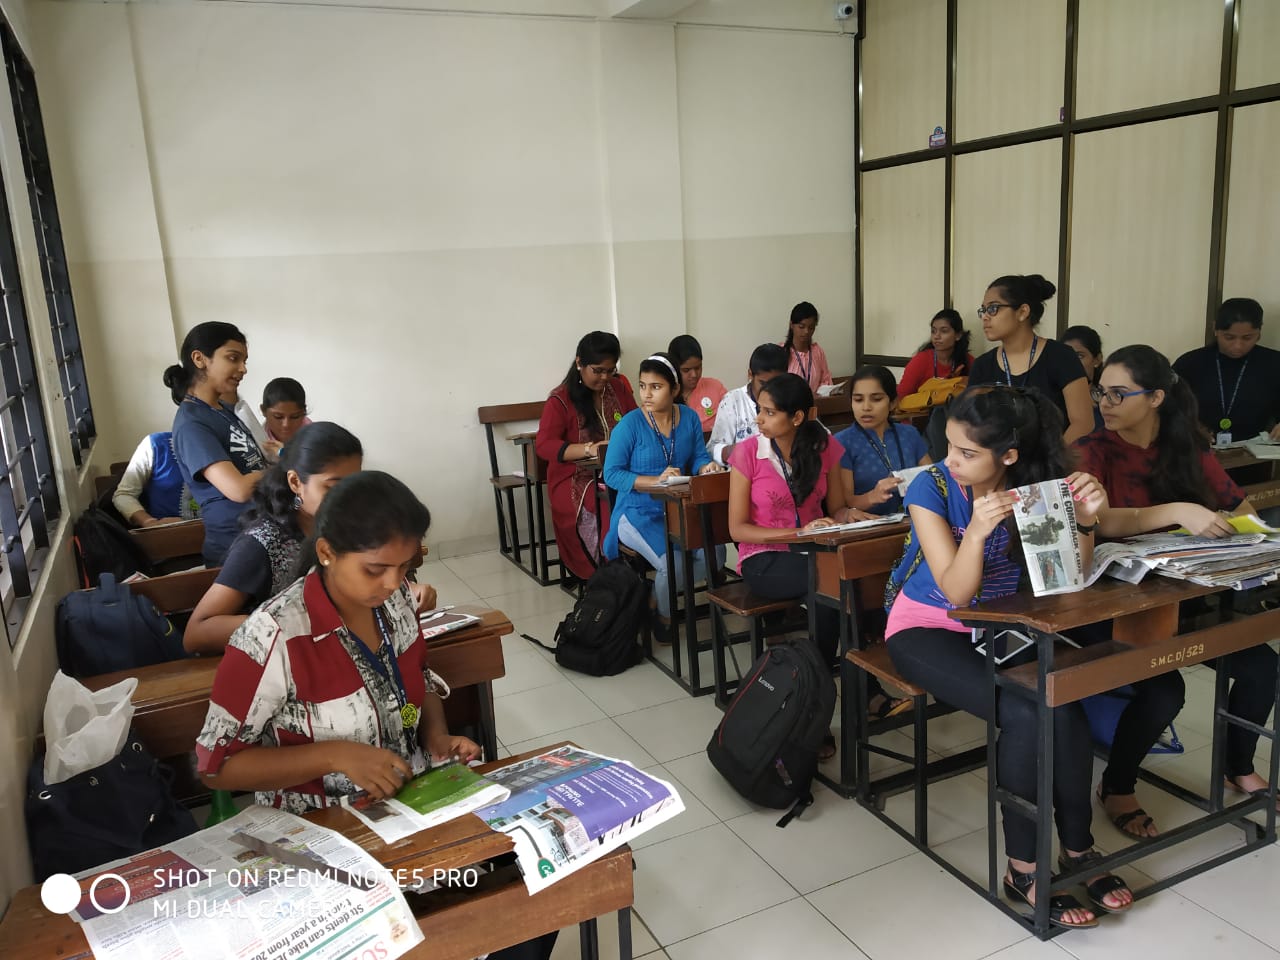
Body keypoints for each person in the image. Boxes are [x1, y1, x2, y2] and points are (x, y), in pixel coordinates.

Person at [886, 386, 1129, 927]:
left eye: (967, 453)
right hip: (928, 627)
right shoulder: (932, 487)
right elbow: (956, 593)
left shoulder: (1036, 488)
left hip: (1002, 628)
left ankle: (1078, 850)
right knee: (1026, 712)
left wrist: (1086, 518)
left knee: (1061, 705)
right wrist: (975, 531)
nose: (950, 461)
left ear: (1010, 456)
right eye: (949, 446)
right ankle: (1023, 867)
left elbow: (1065, 584)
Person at [1075, 345, 1278, 828]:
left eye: (1119, 393)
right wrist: (1176, 513)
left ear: (1157, 397)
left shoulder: (1185, 445)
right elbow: (1095, 521)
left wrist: (1237, 527)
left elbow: (1239, 507)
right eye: (1101, 391)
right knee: (1164, 692)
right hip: (1114, 606)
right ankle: (1118, 785)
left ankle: (1238, 766)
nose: (1105, 402)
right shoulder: (1091, 450)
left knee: (1262, 669)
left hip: (1184, 597)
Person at [196, 470, 478, 813]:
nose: (393, 583)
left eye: (404, 566)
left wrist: (437, 738)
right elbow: (216, 768)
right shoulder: (272, 635)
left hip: (408, 802)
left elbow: (418, 677)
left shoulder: (398, 600)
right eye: (374, 569)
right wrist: (335, 756)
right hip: (320, 821)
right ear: (327, 552)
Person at [726, 374, 895, 750]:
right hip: (765, 558)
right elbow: (738, 529)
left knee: (838, 588)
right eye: (759, 411)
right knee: (831, 586)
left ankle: (811, 704)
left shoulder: (824, 448)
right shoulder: (747, 453)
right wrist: (796, 536)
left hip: (814, 551)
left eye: (770, 413)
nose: (760, 420)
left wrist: (852, 516)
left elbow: (834, 508)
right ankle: (843, 696)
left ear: (798, 417)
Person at [184, 423, 367, 654]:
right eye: (333, 488)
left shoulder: (343, 528)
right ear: (295, 482)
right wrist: (297, 623)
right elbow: (197, 632)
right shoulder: (264, 542)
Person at [603, 353, 723, 642]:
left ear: (675, 390)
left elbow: (697, 455)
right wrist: (655, 481)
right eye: (643, 386)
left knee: (715, 556)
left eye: (656, 387)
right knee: (674, 564)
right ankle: (665, 615)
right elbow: (613, 474)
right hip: (637, 513)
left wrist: (706, 466)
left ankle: (656, 596)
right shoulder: (630, 425)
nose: (646, 394)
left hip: (679, 509)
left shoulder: (690, 418)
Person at [535, 331, 638, 583]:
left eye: (610, 370)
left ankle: (640, 565)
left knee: (643, 496)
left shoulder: (619, 388)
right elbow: (545, 445)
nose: (604, 377)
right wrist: (590, 449)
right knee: (604, 503)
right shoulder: (560, 399)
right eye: (598, 370)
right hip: (574, 476)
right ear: (580, 363)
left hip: (619, 469)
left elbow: (637, 422)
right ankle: (609, 572)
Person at [165, 322, 268, 566]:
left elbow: (250, 465)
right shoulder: (192, 424)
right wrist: (278, 470)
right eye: (233, 358)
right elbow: (238, 489)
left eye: (244, 361)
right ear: (200, 359)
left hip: (259, 536)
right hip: (236, 549)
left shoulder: (221, 410)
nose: (243, 369)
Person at [967, 275, 1094, 443]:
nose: (985, 317)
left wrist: (1052, 461)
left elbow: (1083, 423)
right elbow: (969, 423)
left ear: (1022, 312)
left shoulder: (1061, 356)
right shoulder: (982, 365)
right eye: (983, 310)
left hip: (1054, 462)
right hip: (1001, 463)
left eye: (993, 309)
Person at [1173, 298, 1280, 445]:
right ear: (1216, 329)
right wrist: (1191, 426)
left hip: (1254, 455)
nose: (1238, 346)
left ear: (1259, 333)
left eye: (1247, 338)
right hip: (1197, 449)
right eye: (1229, 337)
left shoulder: (1274, 363)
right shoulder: (1190, 363)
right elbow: (1167, 406)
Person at [834, 366, 930, 516]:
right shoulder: (842, 442)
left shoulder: (909, 434)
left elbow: (933, 478)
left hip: (914, 520)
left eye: (876, 399)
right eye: (858, 400)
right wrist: (873, 496)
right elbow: (847, 502)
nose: (866, 407)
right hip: (869, 526)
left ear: (892, 403)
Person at [707, 343, 789, 467]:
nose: (770, 390)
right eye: (763, 383)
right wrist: (735, 450)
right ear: (750, 374)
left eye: (777, 383)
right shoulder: (733, 401)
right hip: (743, 476)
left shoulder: (792, 398)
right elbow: (712, 449)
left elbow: (821, 435)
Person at [112, 431, 193, 527]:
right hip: (165, 533)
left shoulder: (214, 447)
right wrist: (149, 522)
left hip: (210, 531)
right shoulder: (155, 444)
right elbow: (123, 495)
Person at [897, 309, 975, 398]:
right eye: (933, 331)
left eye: (944, 331)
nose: (936, 336)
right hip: (921, 411)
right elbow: (901, 396)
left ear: (958, 335)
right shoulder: (921, 360)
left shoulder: (969, 361)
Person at [668, 334, 726, 432]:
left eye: (698, 368)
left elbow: (733, 420)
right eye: (686, 370)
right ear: (674, 369)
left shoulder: (715, 387)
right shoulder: (665, 394)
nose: (694, 374)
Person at [1062, 325, 1106, 430]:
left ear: (1097, 359)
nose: (1071, 362)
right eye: (1065, 356)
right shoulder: (1051, 399)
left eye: (1080, 356)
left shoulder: (1108, 402)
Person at [260, 377, 313, 460]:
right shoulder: (258, 439)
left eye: (295, 417)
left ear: (303, 412)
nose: (286, 424)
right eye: (278, 417)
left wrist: (283, 453)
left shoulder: (313, 435)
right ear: (263, 411)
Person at [784, 301, 833, 391]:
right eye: (801, 326)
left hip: (815, 403)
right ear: (791, 325)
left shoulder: (817, 351)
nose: (806, 331)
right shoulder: (781, 351)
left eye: (811, 328)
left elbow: (825, 380)